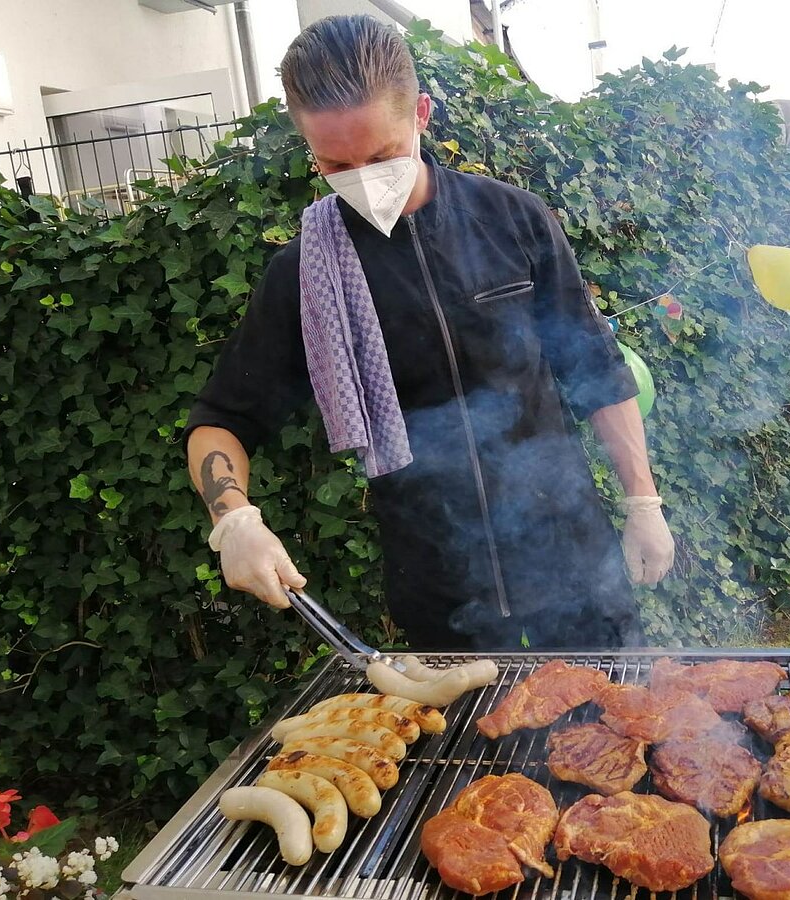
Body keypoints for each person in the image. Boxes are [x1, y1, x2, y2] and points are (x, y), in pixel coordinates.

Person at [183, 14, 674, 651]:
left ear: (420, 112)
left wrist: (643, 504)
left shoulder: (512, 219)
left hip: (568, 546)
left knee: (610, 733)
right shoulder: (306, 274)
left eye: (381, 155)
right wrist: (234, 520)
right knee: (479, 749)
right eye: (334, 162)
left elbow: (595, 368)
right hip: (438, 574)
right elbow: (222, 416)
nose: (361, 176)